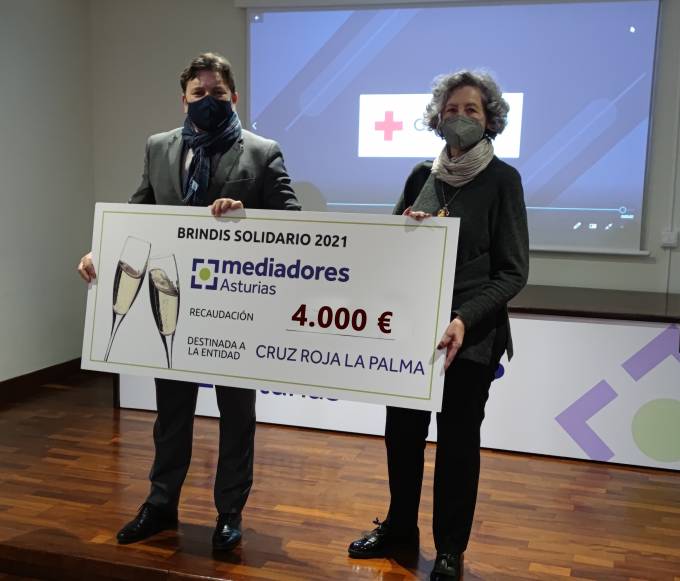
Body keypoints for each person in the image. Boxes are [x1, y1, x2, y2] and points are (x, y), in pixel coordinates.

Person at [77, 52, 301, 550]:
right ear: (184, 99)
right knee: (171, 413)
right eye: (199, 93)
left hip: (237, 311)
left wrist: (248, 216)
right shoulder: (158, 147)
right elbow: (138, 211)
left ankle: (229, 513)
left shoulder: (262, 152)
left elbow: (293, 221)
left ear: (234, 97)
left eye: (217, 93)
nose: (208, 101)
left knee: (236, 416)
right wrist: (102, 251)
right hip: (171, 296)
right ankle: (161, 504)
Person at [347, 70, 529, 580]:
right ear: (437, 118)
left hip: (471, 338)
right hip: (413, 330)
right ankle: (399, 529)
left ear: (490, 120)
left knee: (457, 444)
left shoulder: (503, 180)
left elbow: (513, 272)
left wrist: (464, 319)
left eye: (471, 110)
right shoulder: (419, 176)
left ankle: (450, 548)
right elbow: (389, 246)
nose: (459, 118)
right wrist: (407, 229)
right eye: (451, 110)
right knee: (402, 436)